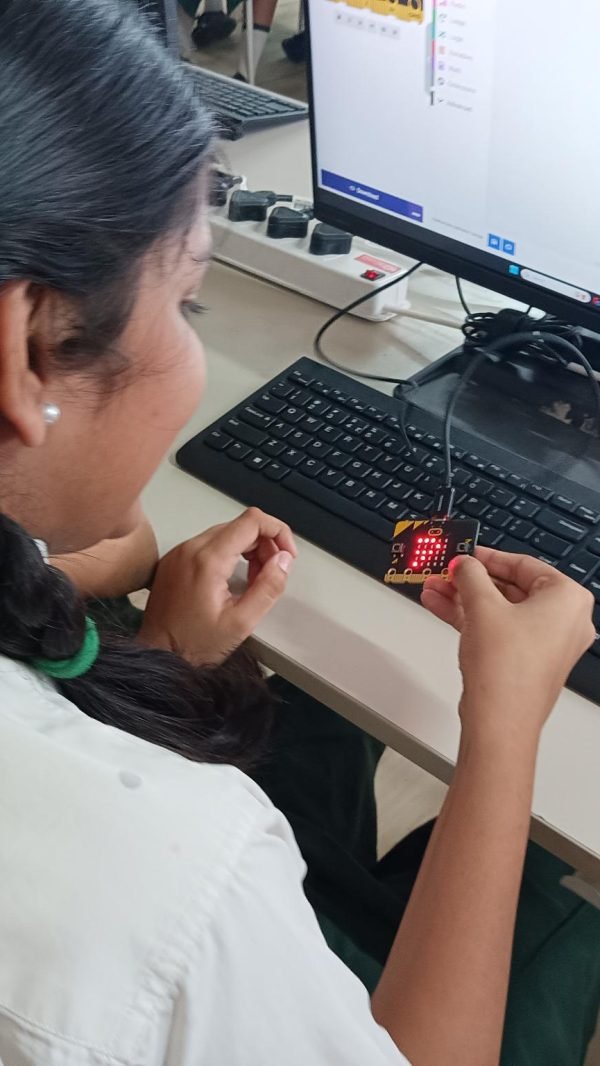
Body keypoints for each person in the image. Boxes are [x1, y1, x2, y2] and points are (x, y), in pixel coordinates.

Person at [0, 2, 599, 1064]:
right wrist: (506, 727)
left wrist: (166, 661)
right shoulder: (177, 885)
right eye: (188, 299)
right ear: (27, 355)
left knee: (320, 723)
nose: (193, 342)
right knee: (578, 904)